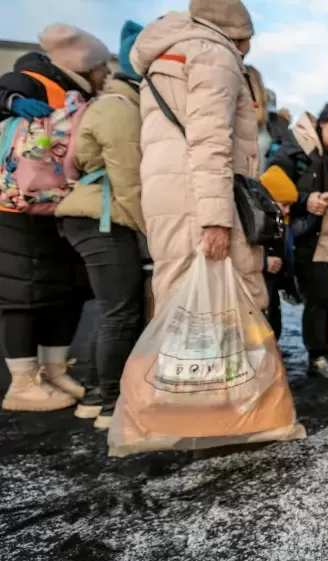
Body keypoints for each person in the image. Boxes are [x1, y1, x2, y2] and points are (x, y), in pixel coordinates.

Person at [0, 24, 113, 412]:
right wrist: (14, 100)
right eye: (102, 66)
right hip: (16, 207)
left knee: (63, 291)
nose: (106, 74)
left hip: (56, 206)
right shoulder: (32, 79)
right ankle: (22, 383)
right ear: (85, 65)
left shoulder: (80, 95)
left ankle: (54, 371)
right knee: (24, 294)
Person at [129, 0, 267, 317]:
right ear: (239, 32)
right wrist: (216, 219)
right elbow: (210, 139)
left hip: (167, 193)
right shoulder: (213, 55)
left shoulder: (163, 58)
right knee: (229, 307)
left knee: (177, 300)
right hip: (202, 196)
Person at [53, 21, 146, 429]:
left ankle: (95, 394)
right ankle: (110, 403)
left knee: (114, 311)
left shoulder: (112, 104)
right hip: (102, 217)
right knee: (121, 312)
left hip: (94, 216)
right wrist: (152, 231)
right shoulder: (119, 108)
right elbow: (129, 180)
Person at [265, 102, 328, 379]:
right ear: (323, 123)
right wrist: (305, 201)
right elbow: (272, 187)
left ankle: (326, 353)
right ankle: (317, 357)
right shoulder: (296, 147)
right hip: (308, 240)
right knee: (318, 299)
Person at [259, 165, 300, 340]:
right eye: (284, 204)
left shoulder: (281, 222)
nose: (287, 210)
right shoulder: (260, 223)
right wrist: (263, 262)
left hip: (272, 284)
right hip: (262, 284)